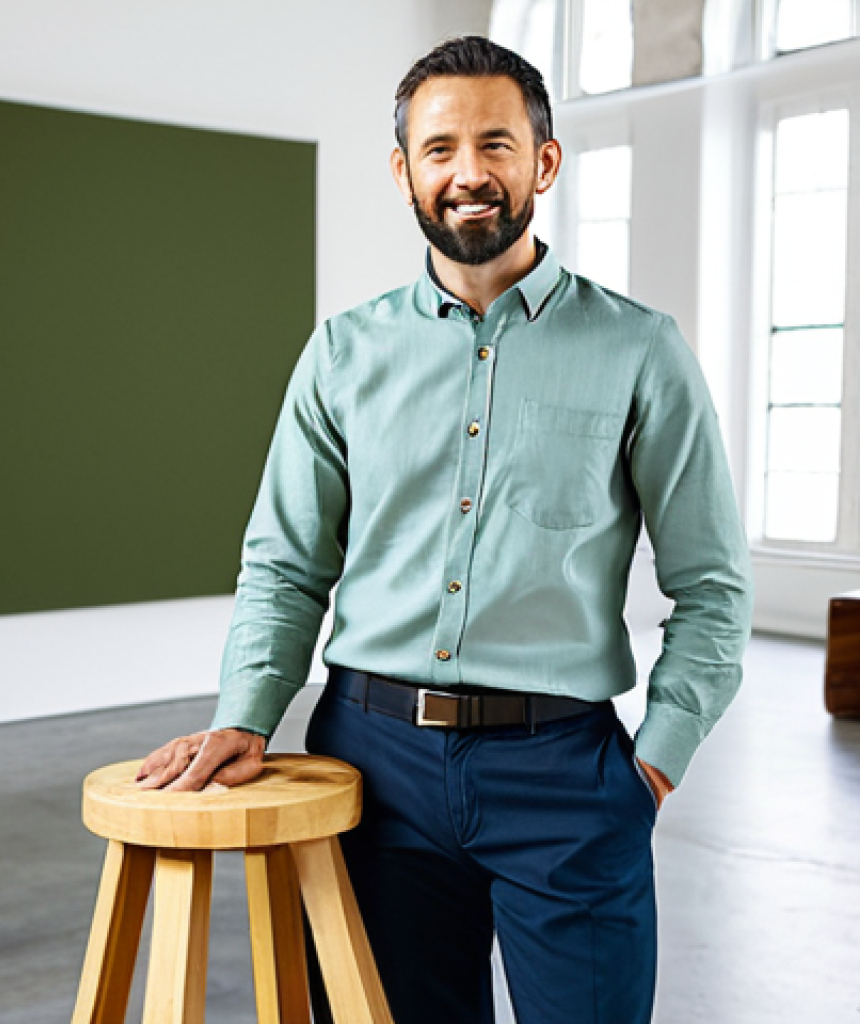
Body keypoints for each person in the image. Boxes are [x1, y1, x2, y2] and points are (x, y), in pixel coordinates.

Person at [137, 35, 754, 1024]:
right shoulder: (340, 353)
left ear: (542, 162)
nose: (469, 173)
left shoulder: (642, 352)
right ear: (404, 171)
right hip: (372, 772)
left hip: (567, 774)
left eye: (496, 144)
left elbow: (713, 586)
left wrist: (653, 761)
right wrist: (248, 714)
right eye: (439, 149)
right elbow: (285, 565)